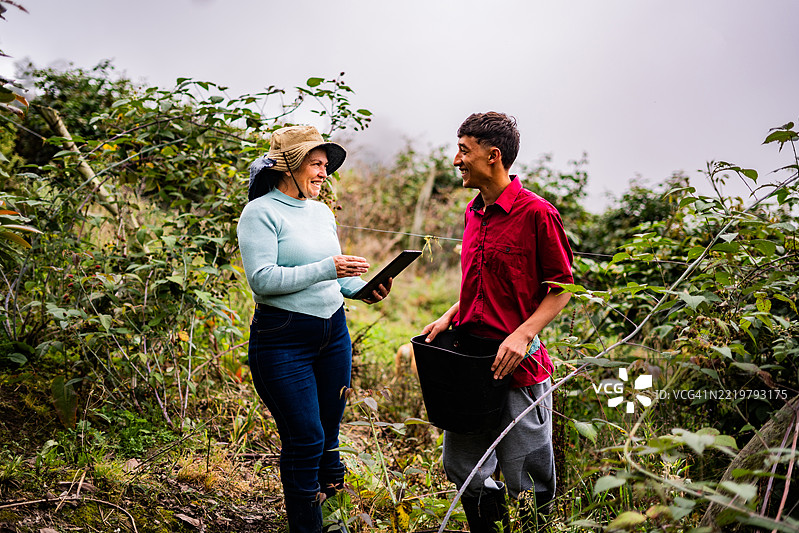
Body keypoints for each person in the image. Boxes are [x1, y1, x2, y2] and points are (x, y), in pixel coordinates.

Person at [422, 112, 573, 533]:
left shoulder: (537, 214)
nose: (456, 160)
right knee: (462, 467)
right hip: (471, 361)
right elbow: (483, 279)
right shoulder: (474, 213)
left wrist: (524, 334)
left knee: (527, 474)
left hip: (519, 364)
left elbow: (562, 287)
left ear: (493, 156)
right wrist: (454, 311)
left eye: (464, 151)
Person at [237, 125, 391, 533]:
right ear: (289, 165)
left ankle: (333, 521)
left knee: (329, 439)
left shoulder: (322, 213)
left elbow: (335, 280)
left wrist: (362, 289)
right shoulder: (261, 212)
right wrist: (330, 268)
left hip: (333, 335)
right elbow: (263, 280)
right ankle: (308, 527)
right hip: (283, 339)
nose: (324, 173)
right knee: (305, 438)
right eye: (316, 164)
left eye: (326, 166)